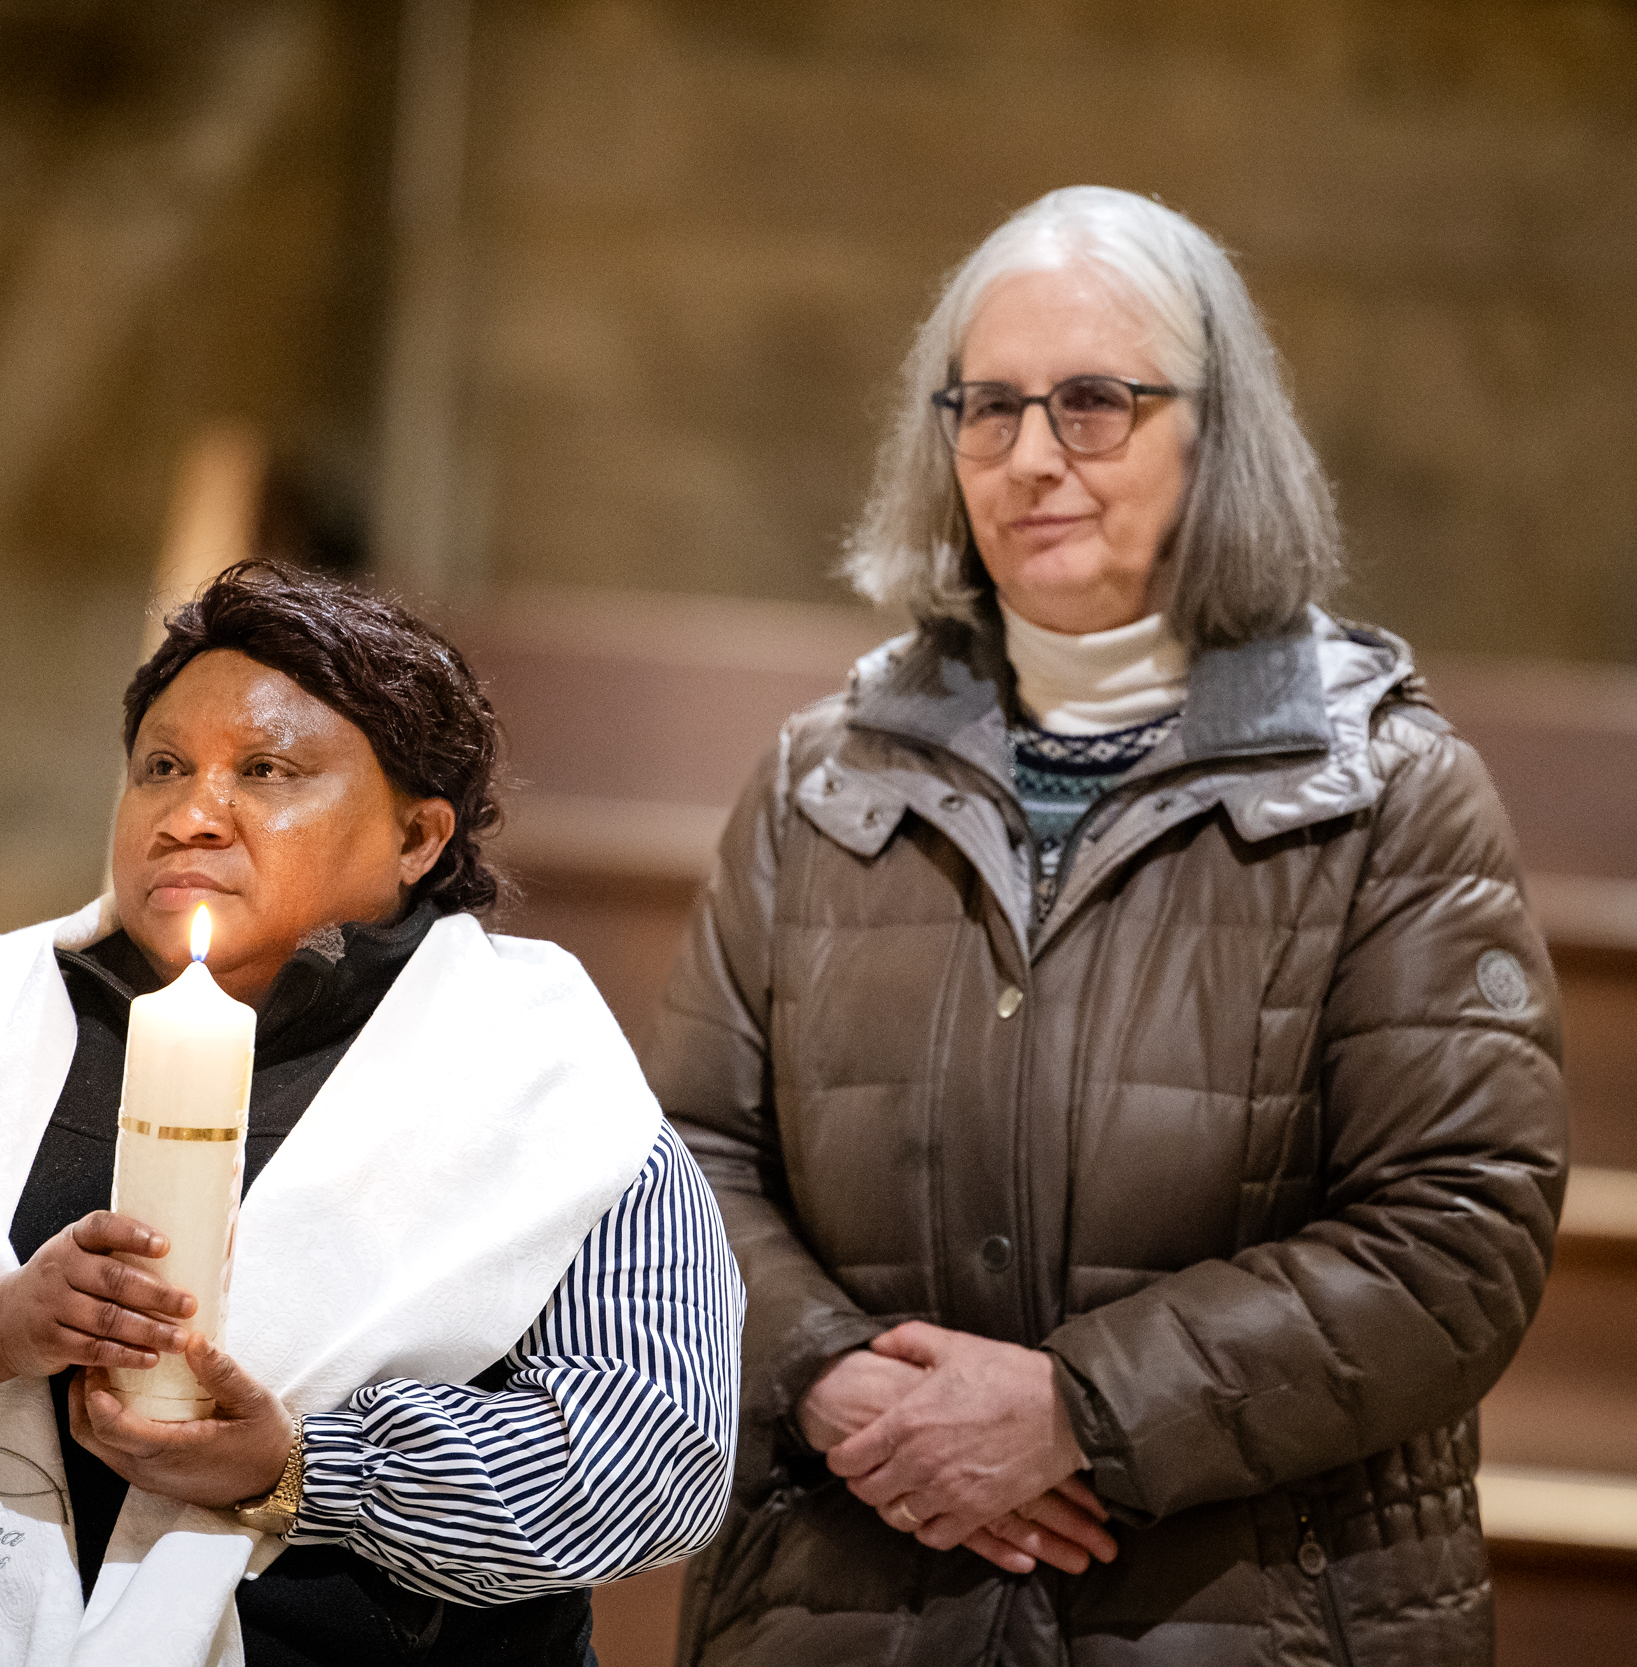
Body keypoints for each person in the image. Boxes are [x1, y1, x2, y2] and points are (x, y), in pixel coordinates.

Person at [647, 186, 1567, 1665]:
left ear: (1216, 434)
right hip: (853, 1595)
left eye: (1094, 403)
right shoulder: (819, 779)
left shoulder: (1390, 789)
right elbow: (683, 1162)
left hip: (1250, 1609)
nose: (1030, 456)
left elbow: (1456, 1233)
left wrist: (1079, 1411)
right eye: (988, 407)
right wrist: (831, 1380)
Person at [0, 563, 743, 1667]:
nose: (187, 816)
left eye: (265, 770)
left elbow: (654, 1457)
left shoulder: (543, 1086)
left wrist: (298, 1467)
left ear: (419, 836)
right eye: (162, 767)